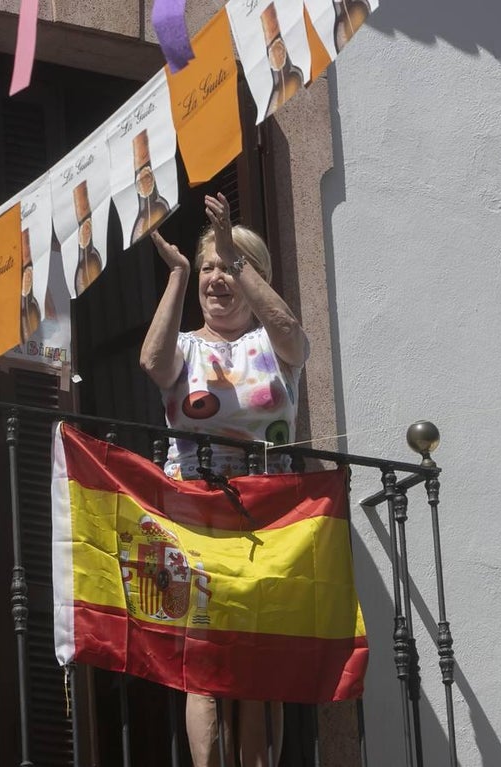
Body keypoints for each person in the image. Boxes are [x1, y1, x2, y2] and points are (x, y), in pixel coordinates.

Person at [140, 192, 308, 767]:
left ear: (249, 273)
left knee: (260, 664)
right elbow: (152, 364)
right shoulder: (186, 348)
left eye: (227, 266)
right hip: (195, 515)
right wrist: (180, 276)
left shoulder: (272, 347)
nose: (217, 277)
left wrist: (235, 252)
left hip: (271, 517)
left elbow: (295, 337)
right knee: (204, 663)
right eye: (209, 266)